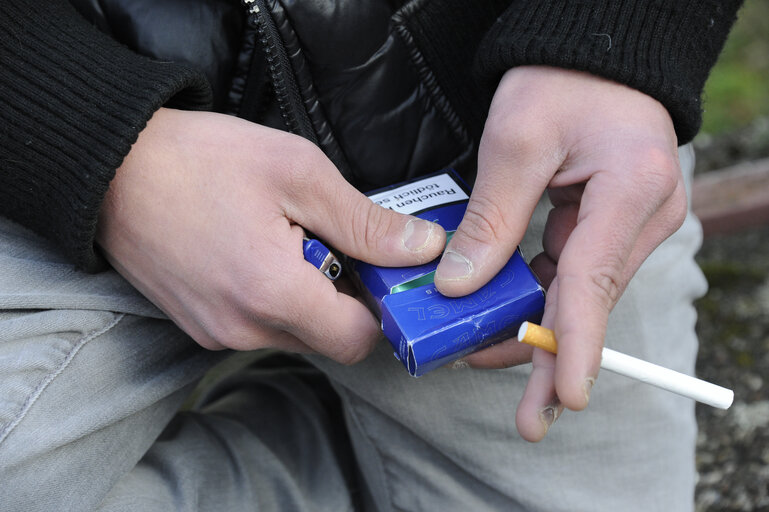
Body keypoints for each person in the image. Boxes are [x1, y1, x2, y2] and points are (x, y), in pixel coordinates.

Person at [0, 0, 743, 510]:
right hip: (53, 154)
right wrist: (105, 150)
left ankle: (370, 438)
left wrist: (613, 43)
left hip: (503, 124)